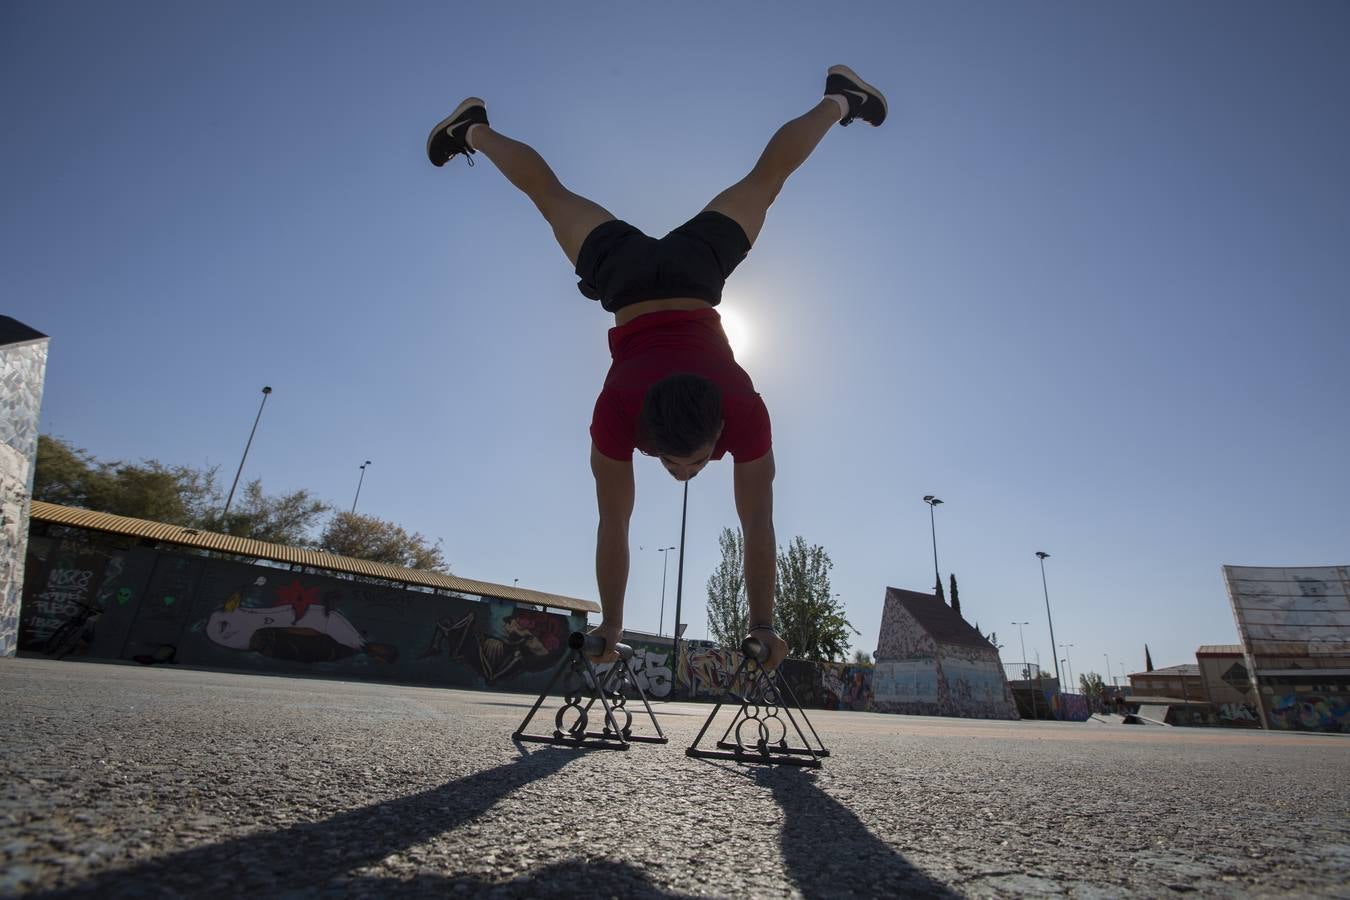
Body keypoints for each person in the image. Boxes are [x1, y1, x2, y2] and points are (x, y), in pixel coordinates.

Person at [427, 66, 887, 670]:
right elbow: (738, 523)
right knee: (564, 198)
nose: (683, 471)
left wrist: (621, 626)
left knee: (759, 181)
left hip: (678, 272)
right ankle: (475, 132)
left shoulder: (668, 414)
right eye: (689, 463)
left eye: (680, 462)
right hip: (637, 280)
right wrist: (752, 624)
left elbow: (642, 523)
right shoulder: (723, 413)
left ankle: (839, 100)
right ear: (715, 434)